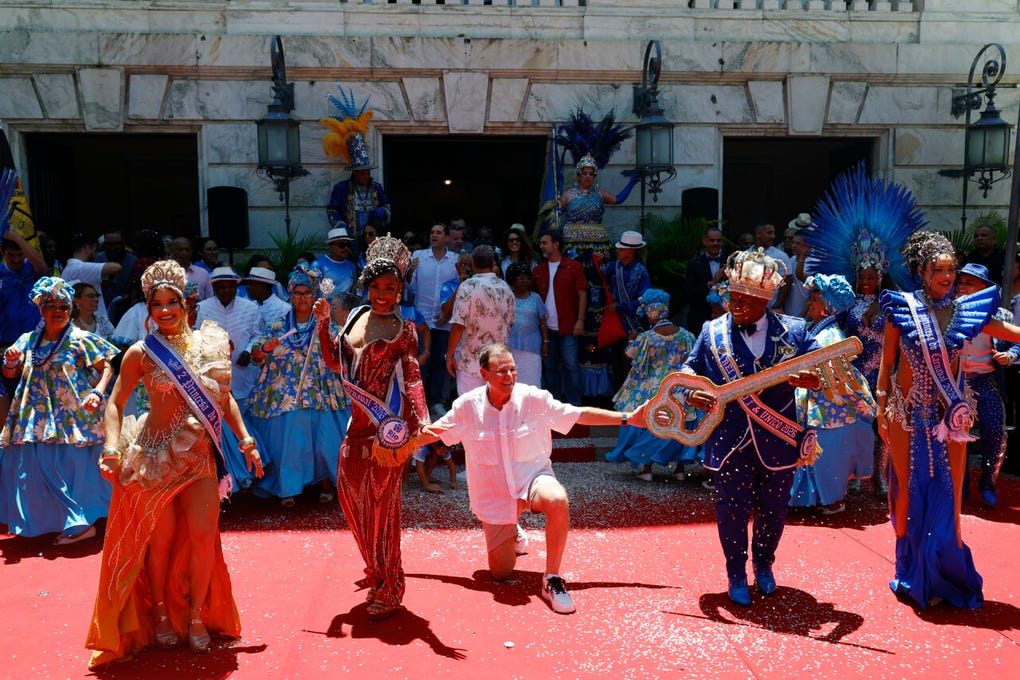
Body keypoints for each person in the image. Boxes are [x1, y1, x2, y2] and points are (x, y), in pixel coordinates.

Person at [86, 260, 263, 666]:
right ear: (148, 308)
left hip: (198, 459)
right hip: (153, 458)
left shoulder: (211, 345)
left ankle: (197, 615)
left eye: (172, 302)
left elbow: (224, 399)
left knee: (203, 537)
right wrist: (111, 448)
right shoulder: (141, 352)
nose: (165, 310)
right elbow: (115, 402)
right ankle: (162, 612)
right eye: (157, 304)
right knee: (160, 543)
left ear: (187, 304)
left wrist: (246, 441)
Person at [414, 344, 651, 614]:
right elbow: (434, 432)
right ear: (484, 374)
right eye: (501, 371)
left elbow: (578, 413)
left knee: (558, 500)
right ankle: (513, 530)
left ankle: (552, 578)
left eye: (513, 369)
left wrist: (628, 419)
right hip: (496, 493)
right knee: (501, 573)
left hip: (533, 479)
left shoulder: (534, 398)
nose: (509, 376)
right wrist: (397, 442)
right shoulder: (467, 406)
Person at [876, 231, 1020, 609]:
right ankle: (909, 571)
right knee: (908, 489)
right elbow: (887, 363)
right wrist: (879, 405)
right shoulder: (902, 307)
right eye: (938, 269)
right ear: (921, 272)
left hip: (950, 417)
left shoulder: (964, 310)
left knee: (950, 494)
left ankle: (944, 570)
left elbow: (1006, 331)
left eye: (951, 269)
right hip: (906, 415)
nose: (947, 276)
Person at [680, 249, 823, 607]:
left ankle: (764, 564)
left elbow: (821, 373)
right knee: (731, 509)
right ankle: (734, 571)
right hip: (729, 438)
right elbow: (688, 370)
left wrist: (812, 380)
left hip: (779, 438)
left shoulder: (794, 331)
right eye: (732, 297)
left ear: (766, 300)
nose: (736, 304)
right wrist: (693, 389)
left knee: (775, 509)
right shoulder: (711, 331)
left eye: (746, 299)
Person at [315, 234, 429, 622]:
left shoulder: (404, 329)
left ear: (400, 290)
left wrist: (422, 422)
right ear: (368, 286)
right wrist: (320, 326)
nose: (383, 295)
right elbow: (335, 364)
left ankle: (390, 586)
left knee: (383, 514)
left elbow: (412, 378)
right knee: (352, 505)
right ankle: (375, 570)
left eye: (391, 289)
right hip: (355, 429)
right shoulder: (354, 318)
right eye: (377, 288)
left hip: (387, 434)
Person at [0, 277, 117, 543]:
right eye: (50, 305)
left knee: (74, 469)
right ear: (40, 310)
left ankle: (81, 523)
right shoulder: (27, 340)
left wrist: (98, 392)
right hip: (33, 416)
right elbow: (10, 372)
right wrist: (9, 362)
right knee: (36, 468)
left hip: (74, 415)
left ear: (70, 309)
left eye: (63, 306)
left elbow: (107, 368)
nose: (58, 311)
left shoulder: (81, 338)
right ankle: (53, 522)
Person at [249, 266, 349, 507]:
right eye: (298, 293)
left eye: (307, 292)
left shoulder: (327, 325)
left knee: (324, 442)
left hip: (321, 393)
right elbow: (255, 354)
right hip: (286, 397)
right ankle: (288, 489)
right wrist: (265, 349)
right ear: (290, 295)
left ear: (315, 295)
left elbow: (341, 353)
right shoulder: (277, 326)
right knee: (290, 443)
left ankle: (325, 484)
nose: (302, 297)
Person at [788, 275, 876, 514]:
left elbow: (838, 379)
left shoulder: (831, 338)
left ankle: (833, 500)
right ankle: (818, 498)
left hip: (830, 407)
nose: (809, 304)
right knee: (817, 453)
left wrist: (814, 383)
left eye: (814, 299)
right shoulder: (820, 332)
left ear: (827, 306)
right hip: (820, 406)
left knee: (828, 455)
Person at [559, 153, 639, 396]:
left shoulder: (601, 194)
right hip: (573, 246)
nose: (587, 176)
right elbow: (557, 216)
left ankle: (597, 376)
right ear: (578, 174)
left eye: (591, 173)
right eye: (584, 172)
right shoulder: (568, 195)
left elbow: (620, 199)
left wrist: (634, 181)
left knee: (598, 292)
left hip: (597, 247)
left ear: (595, 175)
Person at [606, 289, 698, 482]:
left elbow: (629, 354)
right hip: (679, 387)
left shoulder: (647, 337)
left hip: (652, 388)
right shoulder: (687, 336)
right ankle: (679, 469)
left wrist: (631, 340)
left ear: (650, 311)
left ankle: (646, 468)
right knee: (683, 423)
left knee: (648, 423)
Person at [954, 263, 1019, 507]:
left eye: (969, 283)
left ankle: (988, 482)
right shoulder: (949, 313)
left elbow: (1017, 342)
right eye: (960, 283)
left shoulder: (1001, 316)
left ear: (984, 288)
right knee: (955, 436)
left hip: (986, 382)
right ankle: (960, 483)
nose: (962, 287)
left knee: (996, 433)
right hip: (956, 384)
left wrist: (1009, 356)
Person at [195, 266, 263, 489]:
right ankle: (230, 479)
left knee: (243, 421)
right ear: (213, 287)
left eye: (230, 286)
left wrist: (248, 350)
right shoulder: (202, 308)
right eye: (221, 286)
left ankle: (250, 473)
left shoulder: (250, 308)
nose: (225, 290)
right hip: (212, 378)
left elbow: (258, 335)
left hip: (243, 373)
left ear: (236, 287)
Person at [322, 87, 390, 257]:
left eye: (366, 172)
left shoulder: (377, 187)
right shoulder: (342, 188)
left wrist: (383, 212)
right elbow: (332, 210)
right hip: (350, 238)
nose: (364, 175)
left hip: (372, 236)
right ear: (354, 173)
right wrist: (339, 224)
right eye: (361, 173)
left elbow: (387, 206)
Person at [447, 245, 516, 396]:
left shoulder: (467, 287)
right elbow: (510, 322)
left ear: (472, 264)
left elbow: (458, 326)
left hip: (471, 362)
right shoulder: (506, 288)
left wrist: (450, 355)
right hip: (498, 362)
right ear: (492, 264)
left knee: (471, 411)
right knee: (496, 410)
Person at [408, 222, 458, 416]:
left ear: (446, 238)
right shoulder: (418, 257)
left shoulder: (455, 260)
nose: (434, 235)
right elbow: (410, 288)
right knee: (420, 363)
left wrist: (447, 315)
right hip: (422, 321)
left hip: (444, 321)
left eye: (439, 232)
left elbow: (457, 289)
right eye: (432, 232)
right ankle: (418, 403)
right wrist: (410, 271)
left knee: (440, 363)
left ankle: (436, 401)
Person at [532, 230, 586, 406]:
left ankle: (575, 406)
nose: (541, 246)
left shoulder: (573, 267)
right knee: (549, 368)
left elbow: (582, 295)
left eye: (544, 242)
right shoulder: (539, 270)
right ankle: (554, 406)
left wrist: (580, 320)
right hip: (545, 330)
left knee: (571, 366)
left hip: (568, 326)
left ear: (556, 245)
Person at [0, 231, 47, 348]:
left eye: (20, 254)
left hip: (36, 339)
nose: (16, 260)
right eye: (11, 255)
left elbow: (42, 267)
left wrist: (16, 236)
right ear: (2, 252)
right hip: (7, 342)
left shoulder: (33, 268)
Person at [506, 261, 548, 388]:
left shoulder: (536, 298)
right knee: (513, 382)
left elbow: (542, 322)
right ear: (512, 279)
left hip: (533, 347)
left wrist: (546, 342)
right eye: (520, 276)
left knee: (533, 382)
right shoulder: (507, 298)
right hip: (510, 346)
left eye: (526, 277)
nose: (524, 280)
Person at [62, 233, 123, 318]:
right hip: (89, 323)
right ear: (87, 249)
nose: (96, 254)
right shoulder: (80, 268)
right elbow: (117, 267)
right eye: (95, 250)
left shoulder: (68, 269)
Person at [683, 226, 727, 336]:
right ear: (704, 241)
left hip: (725, 320)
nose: (715, 243)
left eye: (718, 240)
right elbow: (688, 294)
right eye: (712, 240)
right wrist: (711, 284)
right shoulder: (694, 264)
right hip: (700, 320)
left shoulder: (730, 262)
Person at [311, 227, 358, 294]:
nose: (346, 248)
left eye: (347, 245)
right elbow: (311, 290)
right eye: (341, 245)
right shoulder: (318, 265)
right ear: (330, 247)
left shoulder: (351, 266)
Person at [95, 229, 137, 303]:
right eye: (108, 244)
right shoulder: (98, 259)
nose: (112, 248)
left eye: (116, 244)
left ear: (123, 244)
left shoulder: (133, 261)